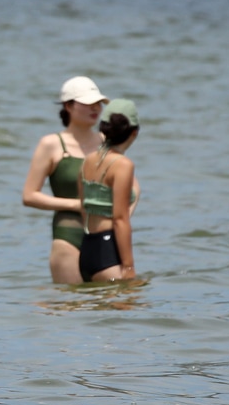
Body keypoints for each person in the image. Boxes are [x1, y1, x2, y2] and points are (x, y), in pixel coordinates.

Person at [22, 76, 107, 285]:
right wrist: (77, 205)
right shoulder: (51, 144)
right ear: (68, 106)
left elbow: (129, 187)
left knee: (114, 306)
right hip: (68, 235)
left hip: (105, 235)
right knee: (70, 309)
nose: (95, 108)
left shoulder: (106, 142)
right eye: (88, 103)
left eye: (98, 103)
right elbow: (29, 196)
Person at [77, 99, 142, 283]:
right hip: (108, 252)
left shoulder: (87, 160)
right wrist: (129, 266)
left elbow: (84, 208)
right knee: (127, 308)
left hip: (87, 248)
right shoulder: (123, 165)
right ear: (134, 133)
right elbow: (120, 219)